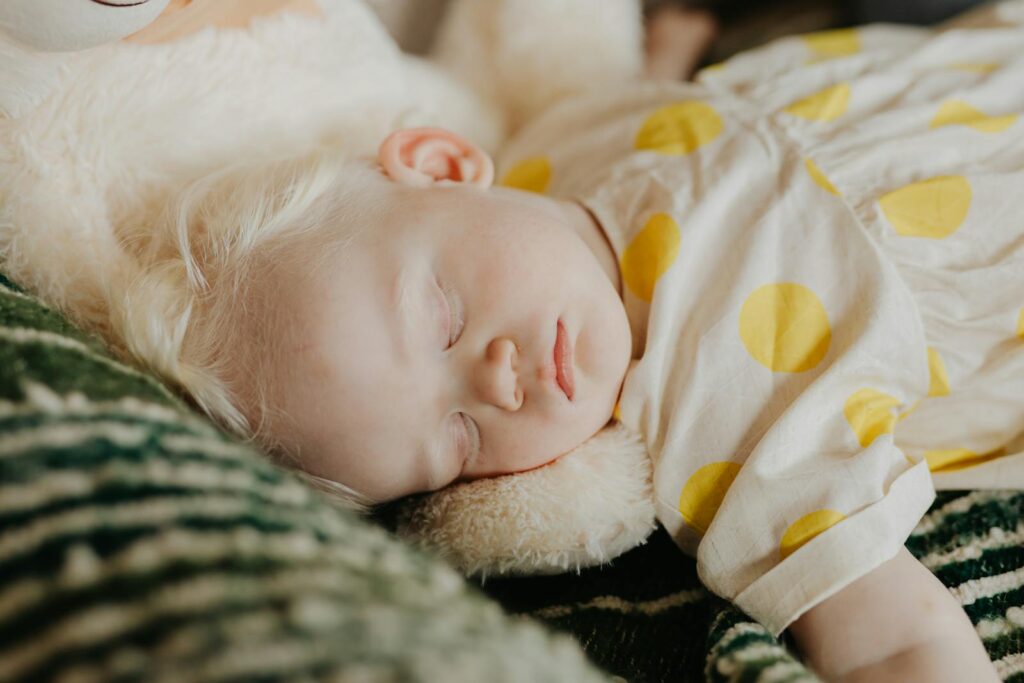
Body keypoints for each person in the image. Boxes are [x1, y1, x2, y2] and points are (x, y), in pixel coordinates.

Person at [133, 13, 1024, 683]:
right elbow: (898, 639)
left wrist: (662, 64)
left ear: (444, 167)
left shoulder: (555, 144)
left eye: (444, 317)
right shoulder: (725, 431)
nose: (498, 381)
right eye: (459, 439)